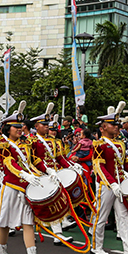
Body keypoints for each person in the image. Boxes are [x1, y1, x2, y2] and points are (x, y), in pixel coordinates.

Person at [89, 103, 128, 254]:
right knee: (101, 215)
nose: (116, 127)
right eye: (113, 125)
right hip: (107, 185)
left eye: (117, 124)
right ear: (103, 128)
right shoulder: (99, 144)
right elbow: (99, 167)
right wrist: (112, 183)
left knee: (123, 216)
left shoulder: (119, 143)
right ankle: (96, 246)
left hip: (120, 184)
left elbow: (124, 164)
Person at [0, 102, 46, 254]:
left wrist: (47, 171)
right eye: (15, 127)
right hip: (11, 186)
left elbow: (34, 161)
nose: (19, 129)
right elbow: (9, 163)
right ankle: (1, 251)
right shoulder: (4, 145)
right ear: (7, 129)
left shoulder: (26, 144)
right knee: (4, 222)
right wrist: (23, 174)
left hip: (26, 188)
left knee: (28, 222)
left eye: (20, 126)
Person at [29, 102, 84, 245]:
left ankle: (58, 232)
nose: (47, 127)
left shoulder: (55, 142)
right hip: (40, 175)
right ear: (37, 126)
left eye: (48, 125)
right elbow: (31, 159)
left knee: (56, 201)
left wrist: (70, 167)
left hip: (54, 174)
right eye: (44, 125)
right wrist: (43, 171)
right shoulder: (32, 141)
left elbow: (60, 158)